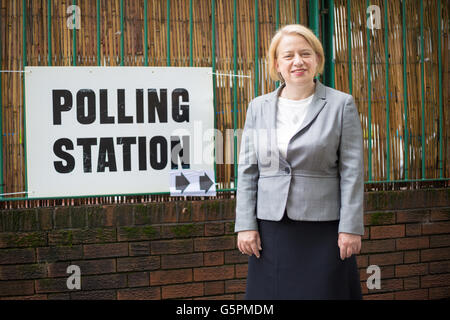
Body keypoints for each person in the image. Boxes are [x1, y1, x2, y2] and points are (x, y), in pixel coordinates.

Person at [234, 24, 364, 300]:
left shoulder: (341, 105)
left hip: (325, 229)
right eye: (288, 55)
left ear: (317, 59)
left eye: (305, 53)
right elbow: (247, 170)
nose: (298, 61)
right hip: (272, 229)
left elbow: (352, 171)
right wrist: (245, 224)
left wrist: (350, 227)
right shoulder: (258, 107)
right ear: (276, 64)